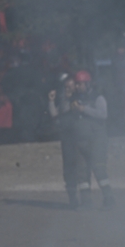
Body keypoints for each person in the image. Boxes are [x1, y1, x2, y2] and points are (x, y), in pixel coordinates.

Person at [69, 71, 114, 210]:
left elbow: (103, 114)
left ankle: (109, 199)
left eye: (80, 84)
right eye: (76, 84)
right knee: (82, 174)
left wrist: (84, 109)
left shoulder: (98, 97)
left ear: (88, 84)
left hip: (96, 141)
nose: (77, 86)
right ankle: (86, 202)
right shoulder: (74, 99)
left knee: (99, 170)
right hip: (80, 141)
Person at [47, 75, 81, 207]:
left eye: (70, 86)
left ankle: (86, 198)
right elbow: (55, 115)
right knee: (69, 168)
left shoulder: (79, 99)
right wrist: (51, 101)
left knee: (82, 167)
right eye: (66, 87)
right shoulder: (63, 100)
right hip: (67, 138)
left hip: (79, 137)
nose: (68, 89)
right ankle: (73, 198)